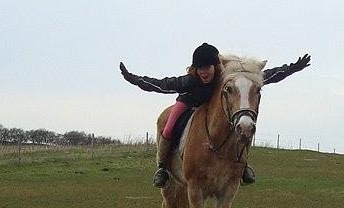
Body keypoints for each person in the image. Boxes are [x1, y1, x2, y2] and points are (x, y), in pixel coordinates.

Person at [120, 43, 311, 187]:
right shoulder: (189, 81)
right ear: (195, 68)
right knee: (169, 127)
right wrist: (134, 79)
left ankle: (243, 165)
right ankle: (162, 167)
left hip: (212, 109)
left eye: (207, 67)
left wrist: (294, 67)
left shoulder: (224, 79)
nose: (204, 72)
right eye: (200, 68)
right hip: (188, 103)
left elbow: (269, 75)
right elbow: (161, 85)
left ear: (215, 66)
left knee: (242, 127)